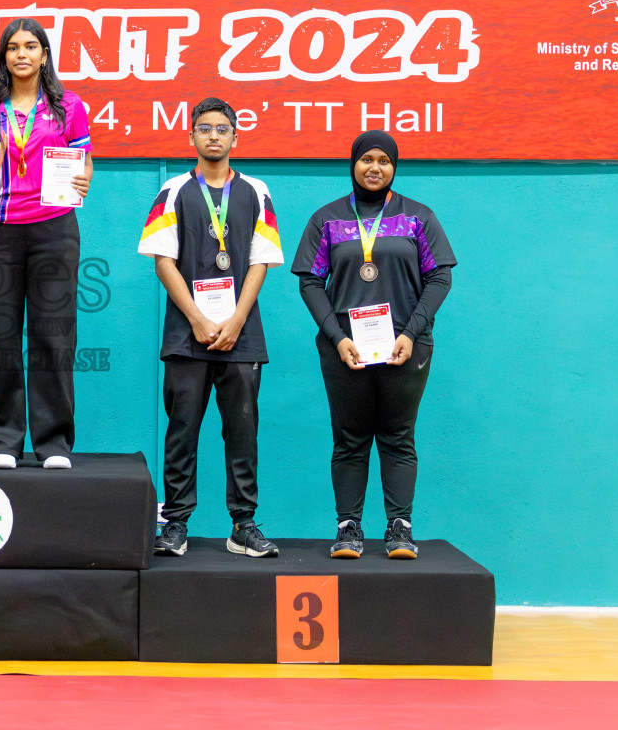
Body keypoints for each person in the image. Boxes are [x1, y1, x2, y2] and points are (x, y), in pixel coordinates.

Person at [291, 130, 455, 560]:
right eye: (367, 159)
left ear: (394, 167)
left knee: (399, 437)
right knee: (349, 439)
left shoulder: (417, 217)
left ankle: (399, 528)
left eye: (385, 160)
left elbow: (440, 277)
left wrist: (411, 331)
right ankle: (349, 529)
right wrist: (337, 337)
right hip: (346, 350)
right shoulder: (327, 219)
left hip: (406, 346)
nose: (375, 167)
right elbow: (310, 281)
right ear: (353, 164)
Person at [138, 98, 283, 557]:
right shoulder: (173, 190)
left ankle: (243, 526)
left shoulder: (257, 191)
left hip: (241, 334)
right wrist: (198, 318)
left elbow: (262, 258)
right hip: (187, 334)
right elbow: (163, 261)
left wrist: (236, 318)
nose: (214, 136)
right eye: (205, 129)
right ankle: (176, 522)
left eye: (222, 129)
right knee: (182, 428)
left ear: (235, 137)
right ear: (192, 137)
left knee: (242, 430)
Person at [0, 18, 93, 470]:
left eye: (30, 46)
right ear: (3, 57)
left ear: (44, 54)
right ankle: (3, 442)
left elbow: (84, 161)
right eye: (13, 47)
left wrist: (83, 180)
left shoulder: (69, 106)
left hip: (54, 227)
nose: (21, 54)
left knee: (54, 336)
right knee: (0, 335)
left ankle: (53, 443)